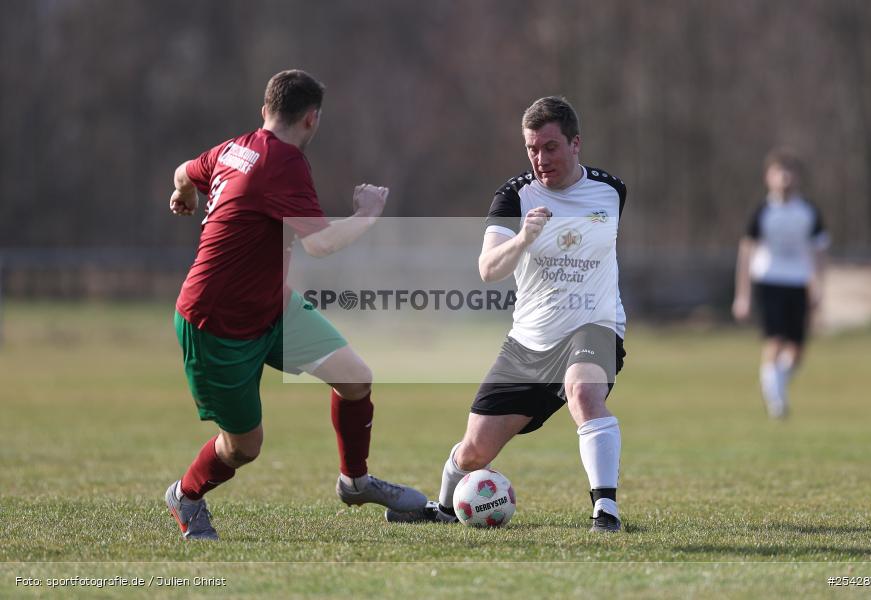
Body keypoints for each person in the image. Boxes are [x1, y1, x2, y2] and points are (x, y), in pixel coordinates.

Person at [165, 69, 426, 540]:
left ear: (265, 109)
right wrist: (367, 215)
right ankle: (186, 494)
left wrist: (183, 193)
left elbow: (185, 170)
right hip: (216, 324)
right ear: (312, 119)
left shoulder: (234, 148)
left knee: (355, 378)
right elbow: (321, 244)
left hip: (272, 307)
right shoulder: (281, 162)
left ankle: (355, 482)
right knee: (243, 447)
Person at [387, 96, 628, 532]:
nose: (541, 159)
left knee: (583, 392)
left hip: (594, 327)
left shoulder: (611, 191)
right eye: (532, 149)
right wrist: (522, 239)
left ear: (576, 144)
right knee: (474, 450)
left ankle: (605, 510)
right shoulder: (514, 196)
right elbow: (488, 269)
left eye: (551, 147)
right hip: (529, 343)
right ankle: (444, 508)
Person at [732, 148, 829, 419]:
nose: (784, 178)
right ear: (768, 177)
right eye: (779, 173)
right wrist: (743, 294)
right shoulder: (762, 212)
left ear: (797, 177)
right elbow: (746, 253)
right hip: (768, 280)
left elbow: (819, 252)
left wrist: (819, 286)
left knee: (797, 350)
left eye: (789, 172)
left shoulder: (809, 212)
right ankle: (776, 401)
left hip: (798, 282)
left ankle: (774, 382)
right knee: (774, 341)